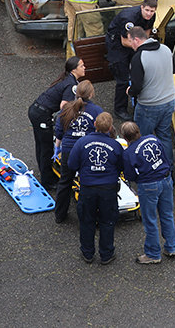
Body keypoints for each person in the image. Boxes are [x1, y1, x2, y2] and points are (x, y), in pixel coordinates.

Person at [68, 111, 123, 264]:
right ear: (110, 127)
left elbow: (71, 164)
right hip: (108, 189)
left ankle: (87, 253)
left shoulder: (81, 143)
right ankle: (106, 254)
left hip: (88, 188)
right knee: (108, 221)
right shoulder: (115, 145)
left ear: (94, 125)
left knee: (87, 220)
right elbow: (121, 167)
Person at [121, 121, 175, 264]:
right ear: (138, 131)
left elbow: (130, 175)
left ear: (125, 137)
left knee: (150, 220)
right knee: (167, 214)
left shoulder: (129, 153)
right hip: (166, 179)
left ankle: (153, 254)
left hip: (148, 185)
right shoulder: (153, 139)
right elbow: (165, 157)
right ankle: (171, 247)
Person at [30, 57, 86, 193]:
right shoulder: (71, 85)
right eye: (82, 66)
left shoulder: (68, 79)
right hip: (42, 115)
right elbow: (64, 106)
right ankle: (48, 182)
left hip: (36, 111)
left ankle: (44, 171)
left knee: (41, 144)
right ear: (74, 69)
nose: (84, 67)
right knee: (47, 147)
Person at [53, 81, 103, 223]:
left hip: (69, 150)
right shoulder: (97, 111)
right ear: (91, 94)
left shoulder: (67, 109)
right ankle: (87, 216)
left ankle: (60, 215)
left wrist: (57, 148)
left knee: (65, 182)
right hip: (88, 151)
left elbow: (59, 131)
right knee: (88, 183)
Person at [127, 26, 175, 165]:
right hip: (169, 101)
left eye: (130, 41)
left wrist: (129, 91)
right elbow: (173, 70)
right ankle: (167, 168)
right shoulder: (166, 49)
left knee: (140, 138)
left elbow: (137, 87)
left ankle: (144, 167)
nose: (130, 45)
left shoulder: (138, 58)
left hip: (149, 105)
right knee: (164, 136)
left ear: (136, 40)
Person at [106, 0, 157, 120]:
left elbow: (146, 33)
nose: (149, 13)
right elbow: (124, 42)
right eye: (147, 10)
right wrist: (142, 47)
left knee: (138, 74)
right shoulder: (129, 18)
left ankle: (138, 103)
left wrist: (142, 47)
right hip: (118, 45)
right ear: (141, 7)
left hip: (135, 44)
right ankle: (120, 109)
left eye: (152, 11)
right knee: (123, 79)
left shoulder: (151, 17)